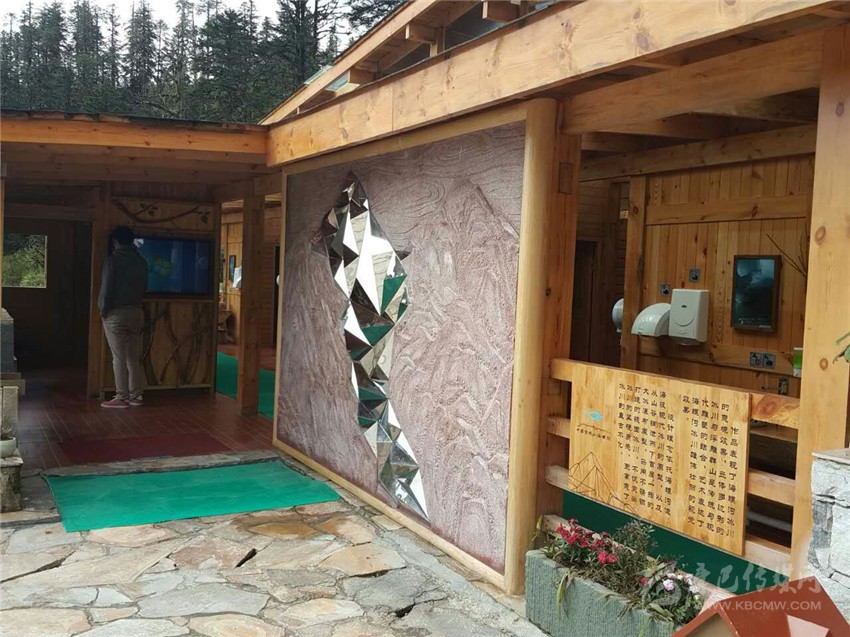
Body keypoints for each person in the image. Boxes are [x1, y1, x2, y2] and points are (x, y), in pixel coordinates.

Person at [98, 226, 149, 408]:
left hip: (116, 313)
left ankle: (121, 396)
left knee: (118, 357)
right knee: (133, 357)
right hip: (137, 312)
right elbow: (144, 288)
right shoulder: (141, 261)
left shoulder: (112, 261)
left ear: (115, 242)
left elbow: (106, 290)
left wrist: (103, 311)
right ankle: (137, 395)